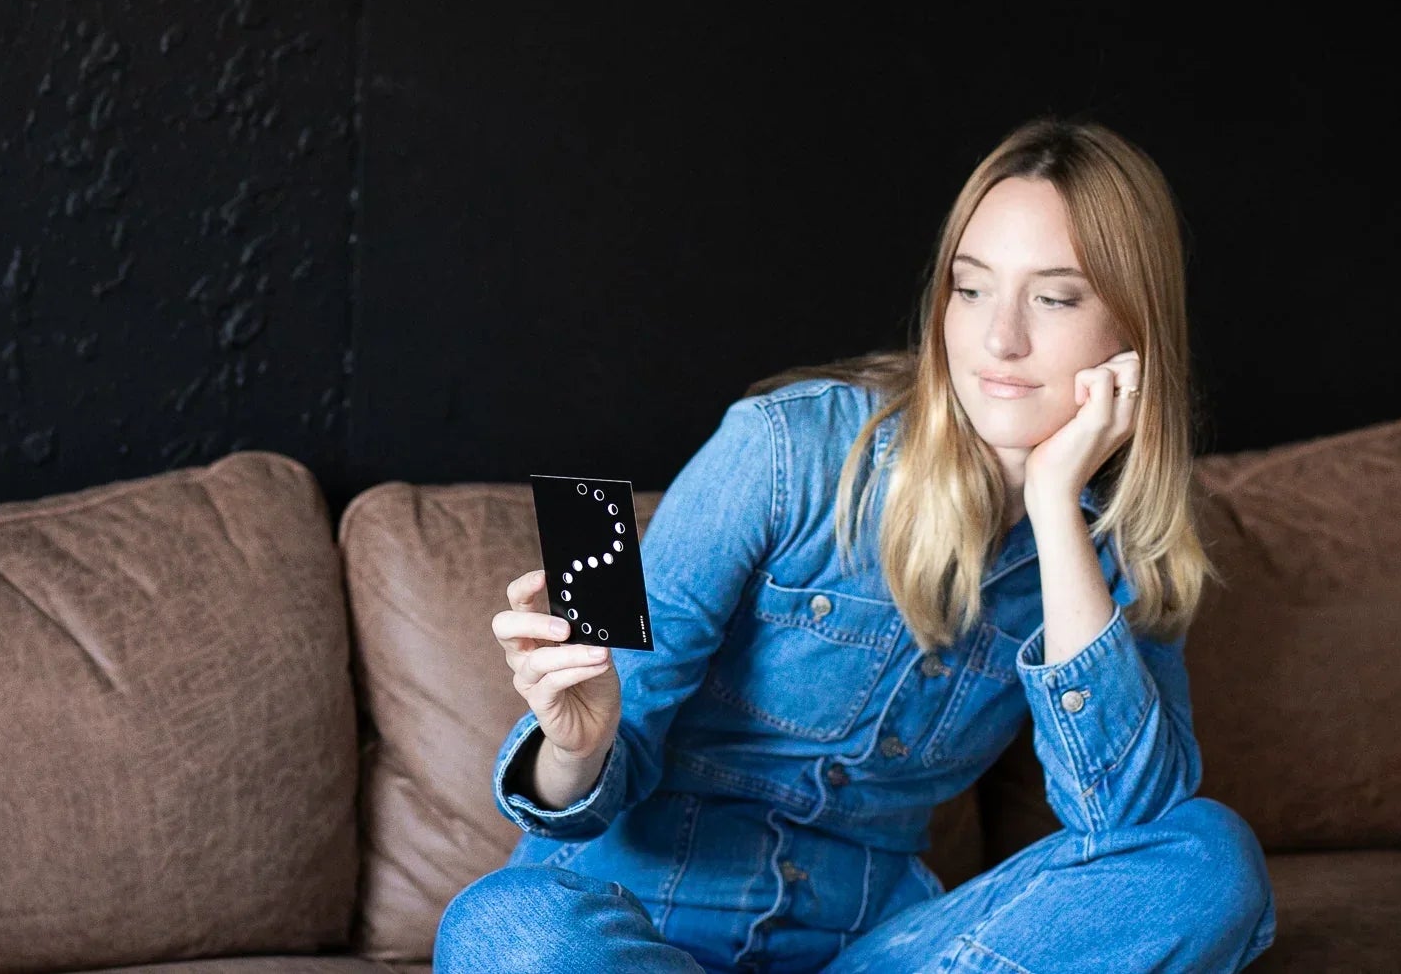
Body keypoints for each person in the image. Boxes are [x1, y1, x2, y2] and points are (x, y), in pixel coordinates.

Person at [433, 117, 1278, 973]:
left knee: (1209, 859)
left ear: (1132, 328)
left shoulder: (1119, 541)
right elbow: (597, 770)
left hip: (867, 951)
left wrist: (1057, 507)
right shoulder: (783, 452)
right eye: (971, 287)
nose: (1000, 338)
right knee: (500, 928)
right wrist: (576, 747)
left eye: (1055, 298)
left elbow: (1129, 829)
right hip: (639, 932)